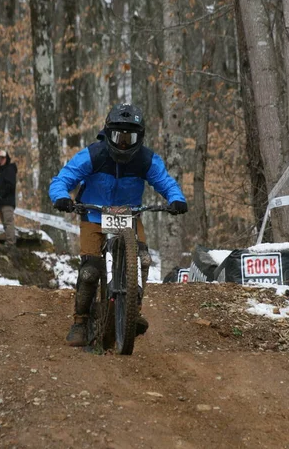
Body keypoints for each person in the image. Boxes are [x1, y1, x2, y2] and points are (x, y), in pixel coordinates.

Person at [49, 103, 188, 347]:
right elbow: (63, 178)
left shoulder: (146, 160)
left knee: (143, 259)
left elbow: (166, 182)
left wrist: (177, 199)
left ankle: (133, 310)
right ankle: (80, 322)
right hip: (94, 214)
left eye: (129, 137)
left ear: (139, 138)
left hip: (129, 215)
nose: (123, 142)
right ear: (108, 133)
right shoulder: (94, 154)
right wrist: (61, 197)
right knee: (91, 271)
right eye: (118, 136)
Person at [0, 150, 17, 246]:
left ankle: (11, 243)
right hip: (1, 203)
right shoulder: (1, 172)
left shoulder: (9, 169)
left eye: (2, 158)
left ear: (6, 159)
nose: (0, 160)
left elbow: (10, 186)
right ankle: (9, 242)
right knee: (5, 223)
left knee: (8, 222)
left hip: (7, 202)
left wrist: (1, 196)